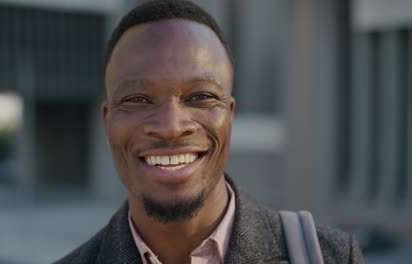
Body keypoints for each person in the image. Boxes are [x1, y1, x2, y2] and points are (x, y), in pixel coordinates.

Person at [54, 0, 364, 263]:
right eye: (137, 99)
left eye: (199, 97)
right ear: (107, 123)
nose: (172, 127)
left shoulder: (331, 256)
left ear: (229, 115)